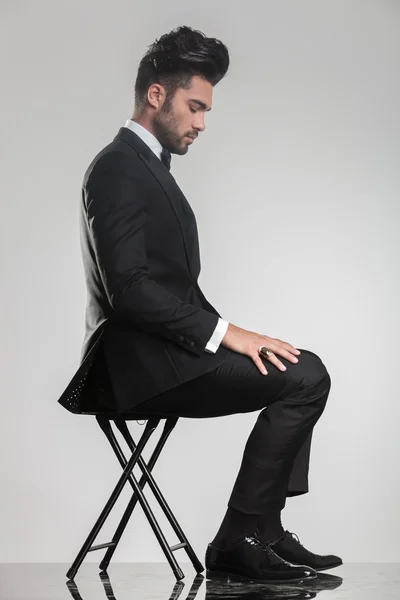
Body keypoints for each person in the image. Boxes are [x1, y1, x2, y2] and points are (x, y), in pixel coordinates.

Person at [58, 25, 342, 583]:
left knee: (297, 365)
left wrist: (238, 334)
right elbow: (130, 288)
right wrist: (227, 334)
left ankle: (264, 529)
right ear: (156, 95)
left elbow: (168, 287)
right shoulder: (117, 167)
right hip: (135, 366)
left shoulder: (148, 168)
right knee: (306, 374)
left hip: (165, 353)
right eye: (195, 107)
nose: (201, 124)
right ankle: (242, 537)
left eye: (206, 111)